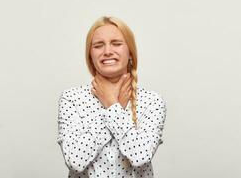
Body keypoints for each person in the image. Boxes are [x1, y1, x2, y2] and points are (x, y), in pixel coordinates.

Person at [57, 16, 167, 178]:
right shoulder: (71, 99)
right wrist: (116, 107)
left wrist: (111, 105)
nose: (107, 51)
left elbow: (141, 157)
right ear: (90, 57)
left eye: (116, 43)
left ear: (130, 53)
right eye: (98, 46)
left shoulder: (151, 101)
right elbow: (75, 160)